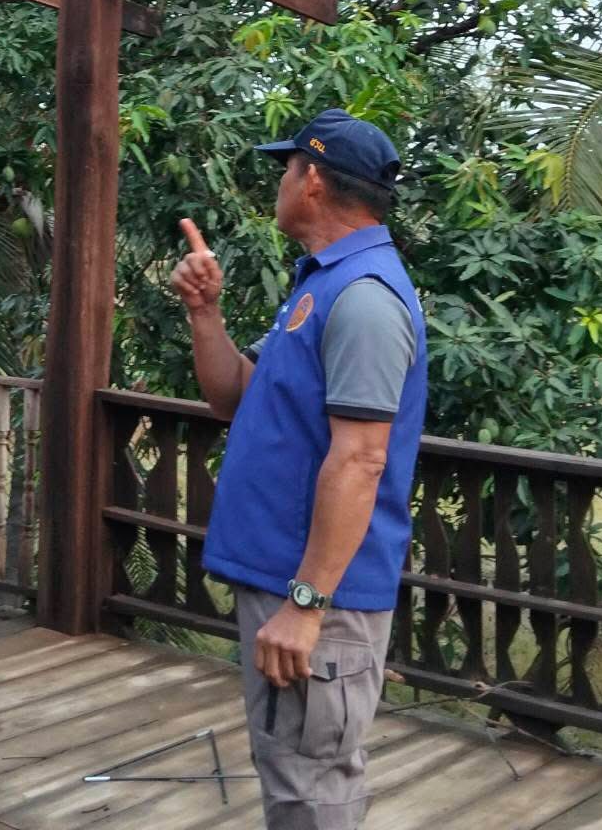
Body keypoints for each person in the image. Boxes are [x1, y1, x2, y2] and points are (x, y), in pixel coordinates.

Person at [170, 109, 427, 830]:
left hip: (317, 598)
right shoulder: (320, 286)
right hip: (286, 582)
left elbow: (361, 458)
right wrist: (205, 312)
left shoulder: (365, 299)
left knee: (311, 782)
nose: (279, 183)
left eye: (286, 169)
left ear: (312, 179)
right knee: (290, 771)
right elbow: (235, 396)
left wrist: (307, 604)